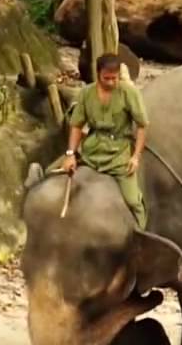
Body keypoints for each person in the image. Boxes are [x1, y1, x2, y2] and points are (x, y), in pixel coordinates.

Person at [59, 53, 150, 228]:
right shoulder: (86, 93)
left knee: (132, 201)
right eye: (106, 78)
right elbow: (77, 125)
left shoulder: (128, 93)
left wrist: (136, 156)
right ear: (98, 74)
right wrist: (70, 153)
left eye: (114, 79)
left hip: (118, 153)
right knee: (53, 175)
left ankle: (141, 234)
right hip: (92, 150)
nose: (110, 83)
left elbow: (142, 125)